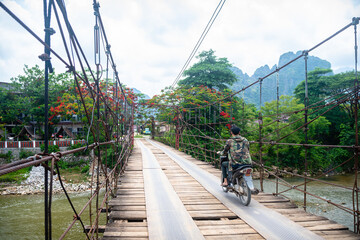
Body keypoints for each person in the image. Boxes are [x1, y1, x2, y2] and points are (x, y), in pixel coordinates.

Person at [219, 125, 258, 194]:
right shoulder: (245, 140)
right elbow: (247, 149)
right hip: (247, 162)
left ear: (231, 132)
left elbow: (225, 152)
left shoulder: (230, 141)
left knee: (223, 164)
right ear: (239, 132)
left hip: (235, 163)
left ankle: (225, 181)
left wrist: (220, 153)